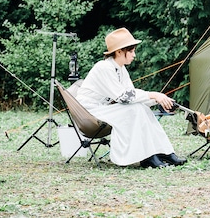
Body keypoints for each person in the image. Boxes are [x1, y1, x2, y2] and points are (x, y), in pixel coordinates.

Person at [75, 27, 186, 168]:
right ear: (119, 51)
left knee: (141, 108)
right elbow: (123, 97)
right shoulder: (103, 67)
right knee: (136, 109)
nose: (134, 55)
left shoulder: (120, 69)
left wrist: (158, 100)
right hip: (89, 113)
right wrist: (154, 95)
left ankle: (164, 152)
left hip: (103, 110)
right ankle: (147, 157)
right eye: (131, 51)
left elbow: (132, 94)